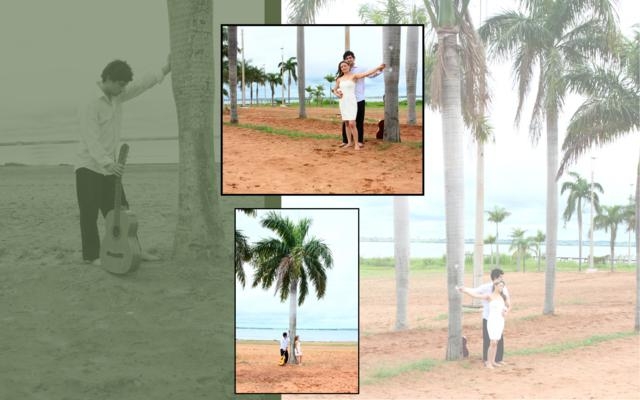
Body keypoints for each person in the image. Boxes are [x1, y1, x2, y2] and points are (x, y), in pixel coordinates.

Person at [75, 57, 170, 266]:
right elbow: (91, 139)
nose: (123, 89)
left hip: (110, 167)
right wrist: (108, 163)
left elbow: (141, 84)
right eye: (120, 84)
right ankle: (92, 256)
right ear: (108, 79)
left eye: (124, 85)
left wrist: (166, 68)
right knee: (89, 214)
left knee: (123, 212)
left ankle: (134, 249)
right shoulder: (90, 102)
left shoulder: (117, 95)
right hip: (89, 166)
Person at [334, 51, 384, 149]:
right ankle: (347, 141)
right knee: (346, 122)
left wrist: (379, 69)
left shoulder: (357, 72)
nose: (348, 60)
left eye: (350, 58)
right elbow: (335, 89)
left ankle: (359, 141)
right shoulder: (340, 78)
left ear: (353, 58)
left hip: (358, 99)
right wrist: (337, 93)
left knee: (357, 122)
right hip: (344, 101)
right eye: (346, 58)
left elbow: (369, 74)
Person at [458, 280, 508, 369]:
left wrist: (505, 311)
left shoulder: (502, 297)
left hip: (500, 321)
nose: (501, 287)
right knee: (492, 342)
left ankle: (493, 361)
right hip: (492, 320)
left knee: (496, 342)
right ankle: (488, 362)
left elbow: (506, 307)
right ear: (495, 286)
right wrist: (465, 290)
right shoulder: (489, 296)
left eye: (502, 286)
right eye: (500, 285)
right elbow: (476, 295)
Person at [467, 268, 511, 366]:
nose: (502, 279)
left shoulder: (503, 289)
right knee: (489, 340)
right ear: (495, 278)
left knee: (499, 339)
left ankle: (497, 359)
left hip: (499, 319)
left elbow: (508, 303)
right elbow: (475, 292)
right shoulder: (486, 289)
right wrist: (465, 290)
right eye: (500, 277)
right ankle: (487, 360)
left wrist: (506, 311)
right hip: (488, 317)